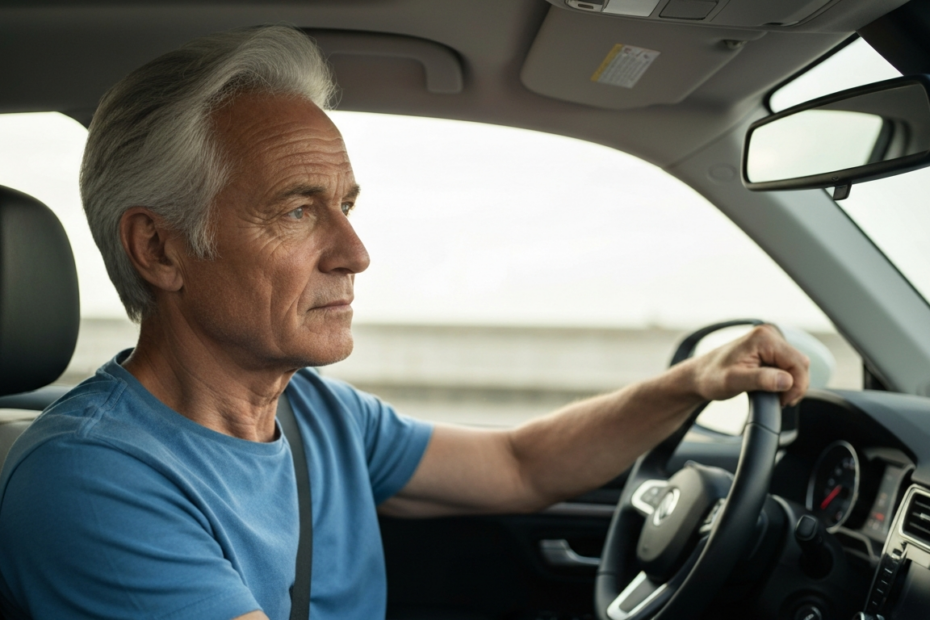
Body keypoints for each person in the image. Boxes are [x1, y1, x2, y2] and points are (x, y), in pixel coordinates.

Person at [0, 26, 809, 620]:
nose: (354, 251)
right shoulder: (90, 482)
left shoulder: (314, 412)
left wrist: (694, 382)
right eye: (295, 209)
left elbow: (521, 465)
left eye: (345, 207)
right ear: (161, 248)